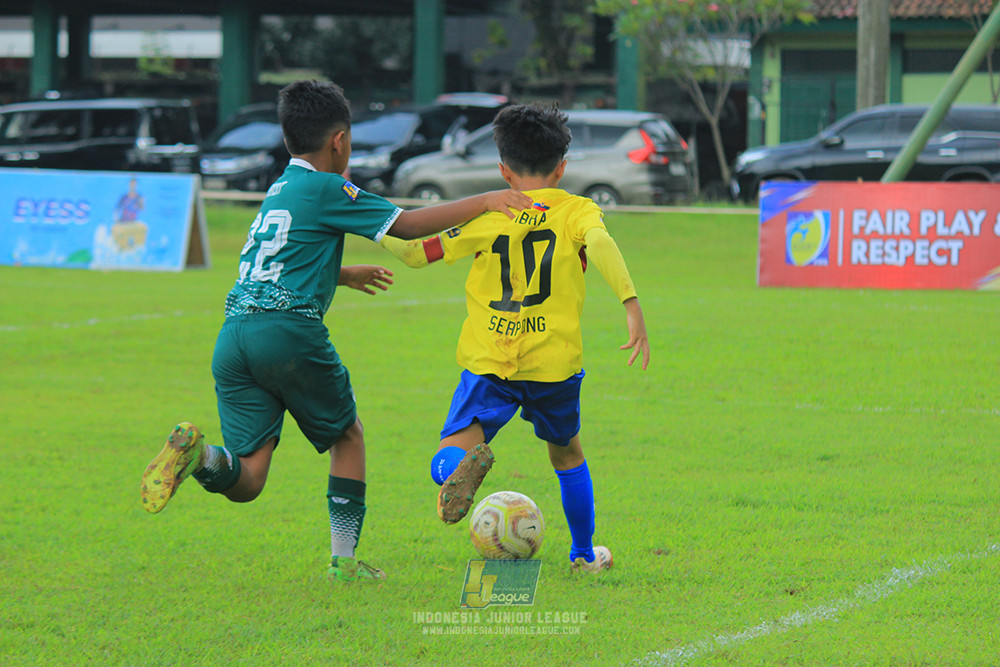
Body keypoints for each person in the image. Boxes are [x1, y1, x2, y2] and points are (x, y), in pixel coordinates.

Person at [139, 80, 531, 582]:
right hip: (287, 335)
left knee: (249, 475)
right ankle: (343, 561)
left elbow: (277, 258)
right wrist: (488, 200)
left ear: (287, 139)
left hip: (234, 336)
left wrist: (341, 273)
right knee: (348, 436)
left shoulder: (280, 187)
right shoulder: (328, 186)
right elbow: (407, 226)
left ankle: (200, 454)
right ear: (340, 141)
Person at [379, 103, 650, 573]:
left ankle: (454, 472)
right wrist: (630, 302)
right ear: (562, 167)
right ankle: (584, 555)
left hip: (490, 360)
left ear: (503, 170)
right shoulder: (576, 211)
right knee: (568, 454)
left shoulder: (488, 215)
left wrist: (371, 224)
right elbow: (601, 244)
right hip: (553, 363)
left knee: (449, 451)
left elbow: (417, 252)